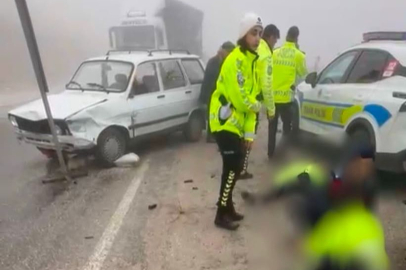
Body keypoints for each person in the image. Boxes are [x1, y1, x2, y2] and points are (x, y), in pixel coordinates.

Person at [209, 12, 263, 230]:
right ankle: (221, 214)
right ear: (244, 34)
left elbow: (253, 102)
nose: (258, 38)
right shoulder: (235, 60)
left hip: (237, 125)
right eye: (253, 33)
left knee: (236, 167)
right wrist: (256, 105)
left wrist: (250, 135)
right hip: (223, 121)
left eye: (259, 33)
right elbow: (243, 101)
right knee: (232, 167)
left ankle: (228, 207)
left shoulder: (253, 63)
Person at [239, 24, 280, 180]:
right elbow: (267, 84)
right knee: (249, 135)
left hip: (241, 97)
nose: (274, 43)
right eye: (275, 40)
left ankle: (235, 166)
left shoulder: (251, 47)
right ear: (270, 37)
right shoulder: (265, 54)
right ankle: (241, 169)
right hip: (253, 100)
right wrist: (271, 109)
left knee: (240, 133)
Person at [268, 26, 308, 158]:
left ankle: (271, 153)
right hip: (286, 98)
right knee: (287, 128)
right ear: (297, 38)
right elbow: (303, 74)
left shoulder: (275, 52)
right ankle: (282, 154)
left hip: (273, 97)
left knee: (272, 128)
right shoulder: (299, 55)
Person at [200, 42, 236, 143]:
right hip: (210, 92)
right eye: (229, 52)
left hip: (217, 92)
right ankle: (210, 136)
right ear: (224, 51)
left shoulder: (223, 61)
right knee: (213, 114)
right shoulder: (214, 62)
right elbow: (214, 78)